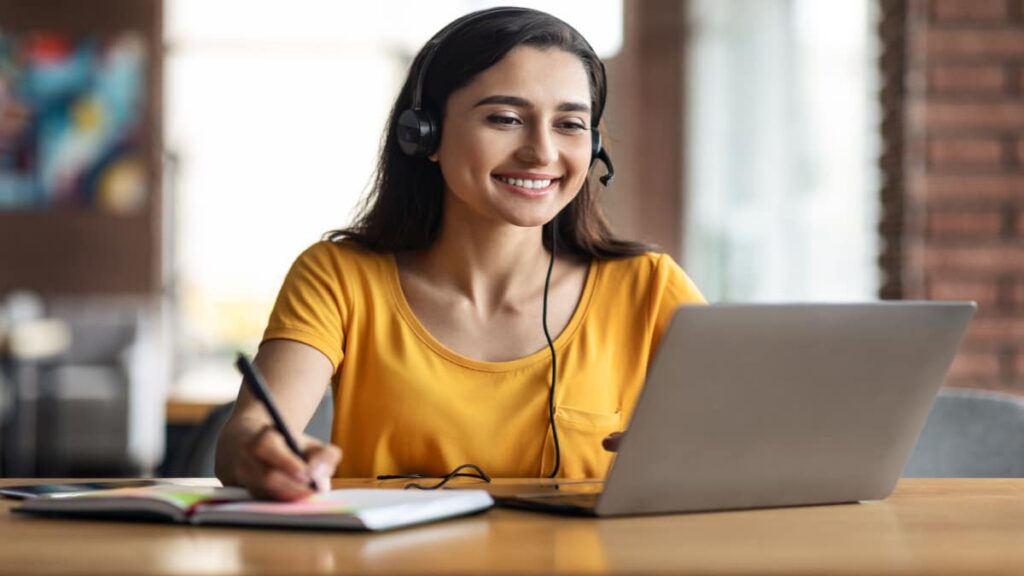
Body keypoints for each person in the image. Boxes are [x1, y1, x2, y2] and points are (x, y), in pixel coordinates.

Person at [215, 6, 705, 501]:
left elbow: (750, 432)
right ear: (424, 133)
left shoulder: (648, 286)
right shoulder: (339, 277)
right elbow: (247, 433)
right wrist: (264, 452)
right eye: (505, 118)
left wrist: (703, 453)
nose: (541, 152)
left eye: (570, 124)